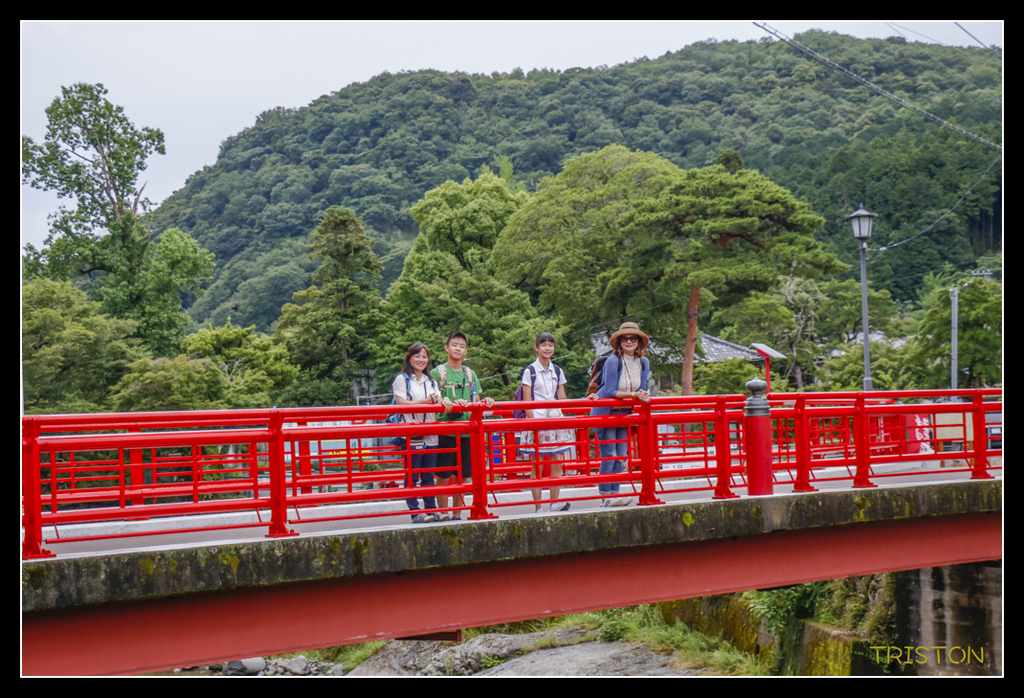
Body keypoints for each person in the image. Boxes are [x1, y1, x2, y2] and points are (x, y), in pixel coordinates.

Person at [430, 332, 495, 521]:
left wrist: (486, 401)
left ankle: (457, 514)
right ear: (446, 348)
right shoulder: (437, 373)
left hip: (468, 430)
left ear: (466, 350)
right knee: (443, 474)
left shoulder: (470, 373)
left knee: (463, 476)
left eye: (462, 346)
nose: (458, 348)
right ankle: (443, 513)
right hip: (445, 429)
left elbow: (476, 399)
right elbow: (433, 400)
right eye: (454, 345)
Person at [588, 322, 650, 506]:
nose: (629, 341)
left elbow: (642, 388)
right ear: (619, 342)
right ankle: (606, 497)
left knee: (622, 456)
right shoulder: (613, 360)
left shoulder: (643, 362)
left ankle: (615, 493)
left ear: (639, 342)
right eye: (625, 338)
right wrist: (634, 395)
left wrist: (643, 395)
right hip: (607, 413)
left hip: (624, 414)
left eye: (633, 338)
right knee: (610, 454)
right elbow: (610, 391)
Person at [392, 342, 450, 523]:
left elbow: (438, 400)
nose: (421, 360)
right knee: (413, 474)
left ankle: (431, 510)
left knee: (427, 475)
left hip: (431, 433)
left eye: (424, 356)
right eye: (417, 356)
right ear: (409, 358)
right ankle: (415, 512)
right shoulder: (402, 379)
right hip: (411, 432)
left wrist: (445, 400)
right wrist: (426, 401)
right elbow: (401, 405)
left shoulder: (431, 381)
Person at [520, 332, 572, 512]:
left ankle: (554, 503)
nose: (547, 347)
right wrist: (533, 424)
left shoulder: (557, 370)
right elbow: (527, 402)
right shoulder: (530, 371)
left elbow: (562, 396)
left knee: (557, 461)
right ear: (537, 347)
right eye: (544, 344)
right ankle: (538, 507)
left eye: (551, 344)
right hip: (537, 421)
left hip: (555, 421)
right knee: (537, 465)